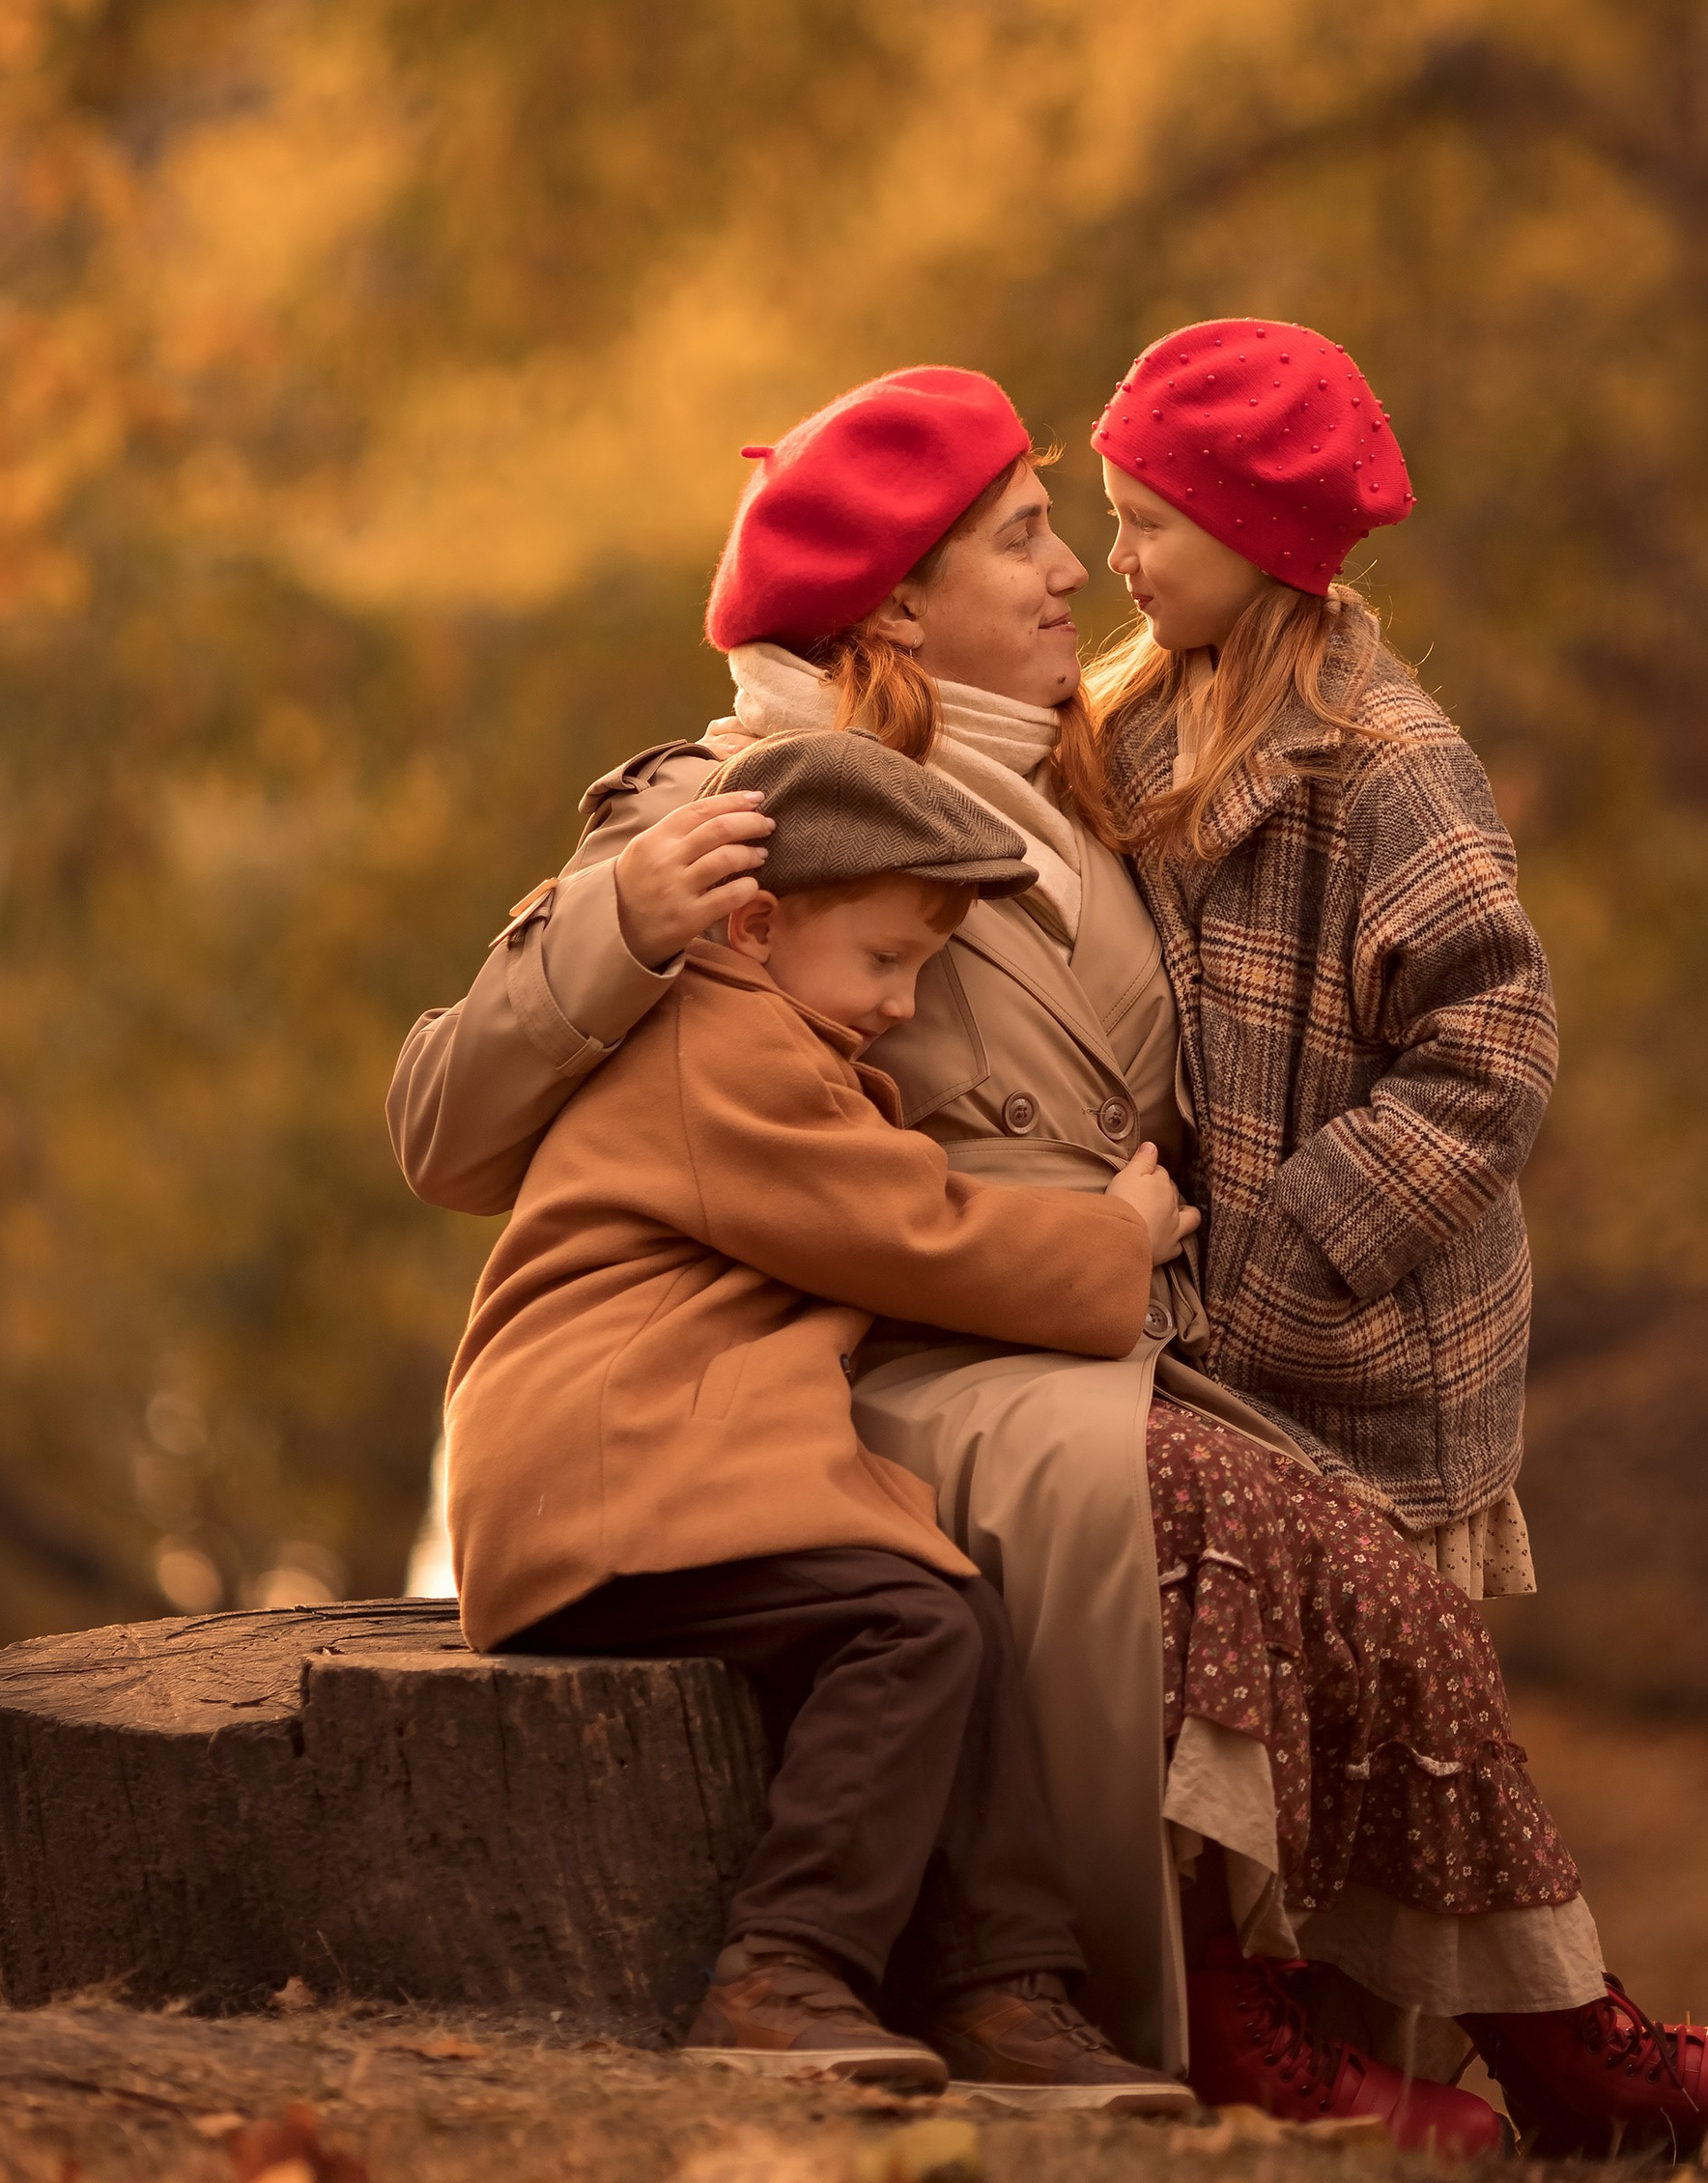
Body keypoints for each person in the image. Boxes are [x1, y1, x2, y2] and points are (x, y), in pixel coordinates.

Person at [391, 360, 1708, 2158]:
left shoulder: (1086, 774)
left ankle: (1553, 2036)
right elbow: (444, 1127)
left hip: (1105, 1332)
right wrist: (618, 921)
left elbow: (1333, 820)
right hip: (871, 1378)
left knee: (1376, 1577)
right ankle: (1273, 2025)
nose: (1074, 571)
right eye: (1023, 540)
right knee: (1222, 1521)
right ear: (901, 605)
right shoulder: (738, 809)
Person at [444, 719, 1193, 2111]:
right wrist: (1114, 1237)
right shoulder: (722, 1047)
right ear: (755, 923)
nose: (905, 1002)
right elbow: (916, 1230)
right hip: (610, 1471)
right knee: (911, 1622)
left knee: (950, 1613)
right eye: (887, 958)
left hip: (665, 1463)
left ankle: (1000, 1983)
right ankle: (779, 1964)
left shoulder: (767, 1039)